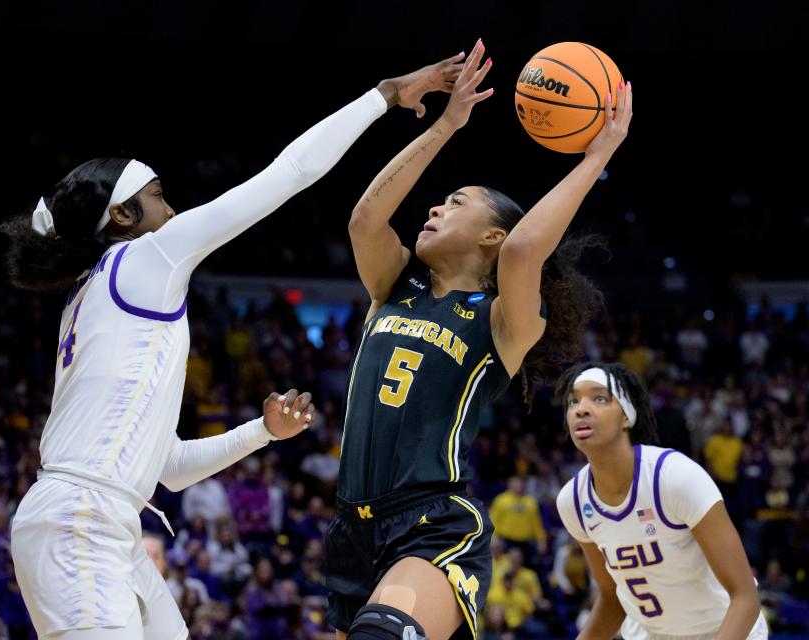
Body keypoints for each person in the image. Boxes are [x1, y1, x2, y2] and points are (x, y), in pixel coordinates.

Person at [3, 54, 464, 640]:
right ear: (121, 215)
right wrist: (383, 95)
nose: (171, 209)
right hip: (80, 522)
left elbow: (165, 468)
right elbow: (289, 172)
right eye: (158, 195)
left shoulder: (98, 291)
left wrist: (263, 432)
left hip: (101, 518)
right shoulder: (145, 257)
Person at [327, 37, 631, 640]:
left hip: (431, 525)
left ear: (491, 237)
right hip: (350, 527)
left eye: (455, 202)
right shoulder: (395, 287)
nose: (435, 208)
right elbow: (366, 217)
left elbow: (524, 249)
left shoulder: (502, 320)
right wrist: (446, 124)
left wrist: (598, 153)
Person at [554, 362, 767, 639]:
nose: (580, 409)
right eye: (573, 401)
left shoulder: (674, 477)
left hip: (725, 630)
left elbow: (745, 598)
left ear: (626, 418)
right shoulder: (572, 501)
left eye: (599, 398)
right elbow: (612, 598)